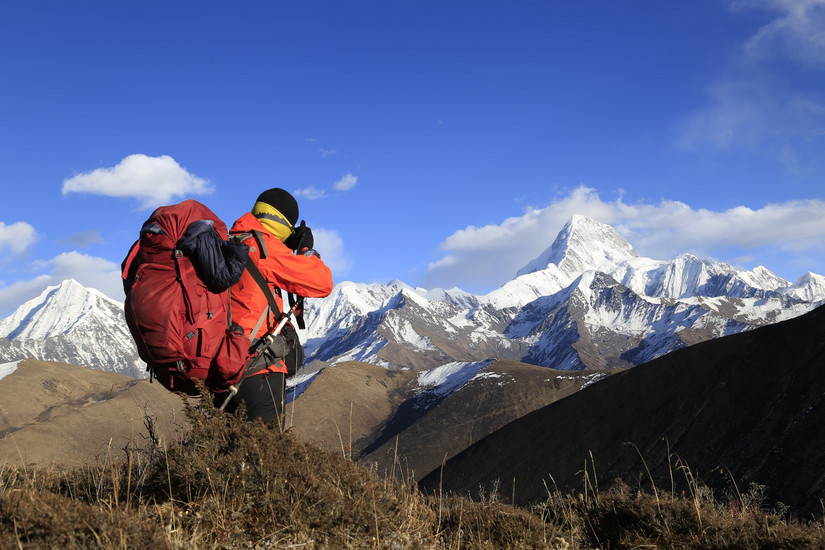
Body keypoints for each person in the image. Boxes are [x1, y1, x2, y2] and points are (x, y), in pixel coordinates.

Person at [214, 188, 333, 424]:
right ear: (284, 223)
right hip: (258, 366)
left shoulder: (231, 243)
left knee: (225, 448)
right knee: (265, 451)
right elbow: (322, 283)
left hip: (222, 363)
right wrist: (307, 251)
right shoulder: (264, 248)